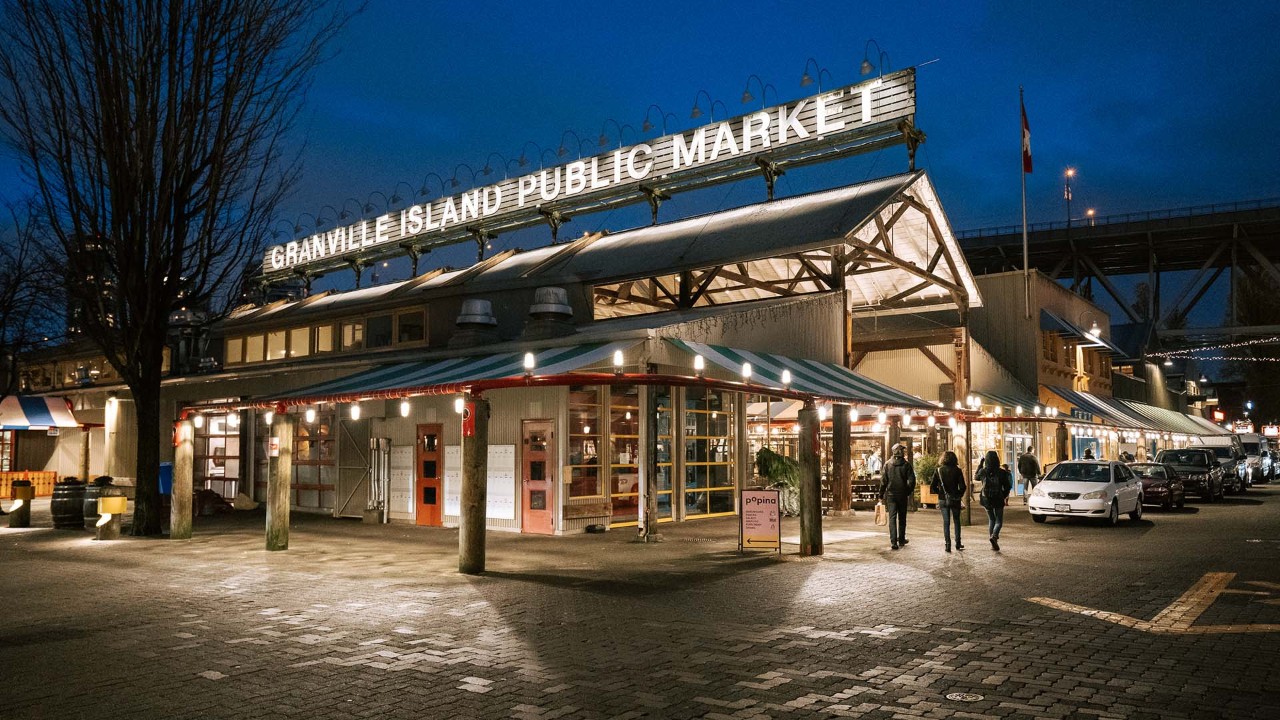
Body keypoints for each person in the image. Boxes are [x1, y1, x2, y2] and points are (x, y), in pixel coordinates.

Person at [879, 443, 915, 550]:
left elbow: (883, 481)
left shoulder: (887, 464)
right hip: (902, 494)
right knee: (902, 518)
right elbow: (912, 481)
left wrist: (881, 494)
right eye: (902, 450)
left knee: (892, 518)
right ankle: (902, 539)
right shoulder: (906, 465)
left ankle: (893, 542)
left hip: (891, 495)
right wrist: (907, 491)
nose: (903, 452)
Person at [929, 450, 966, 552]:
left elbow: (932, 487)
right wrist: (958, 495)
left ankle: (948, 545)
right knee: (957, 521)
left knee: (946, 522)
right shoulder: (957, 470)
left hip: (943, 499)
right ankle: (958, 543)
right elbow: (963, 486)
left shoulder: (938, 471)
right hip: (955, 499)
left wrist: (940, 493)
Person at [978, 450, 1013, 551]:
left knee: (991, 519)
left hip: (986, 499)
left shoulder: (983, 471)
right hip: (998, 499)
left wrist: (980, 464)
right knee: (999, 521)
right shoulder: (1002, 472)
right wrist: (1003, 495)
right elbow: (1008, 486)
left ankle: (993, 542)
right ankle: (994, 537)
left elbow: (976, 477)